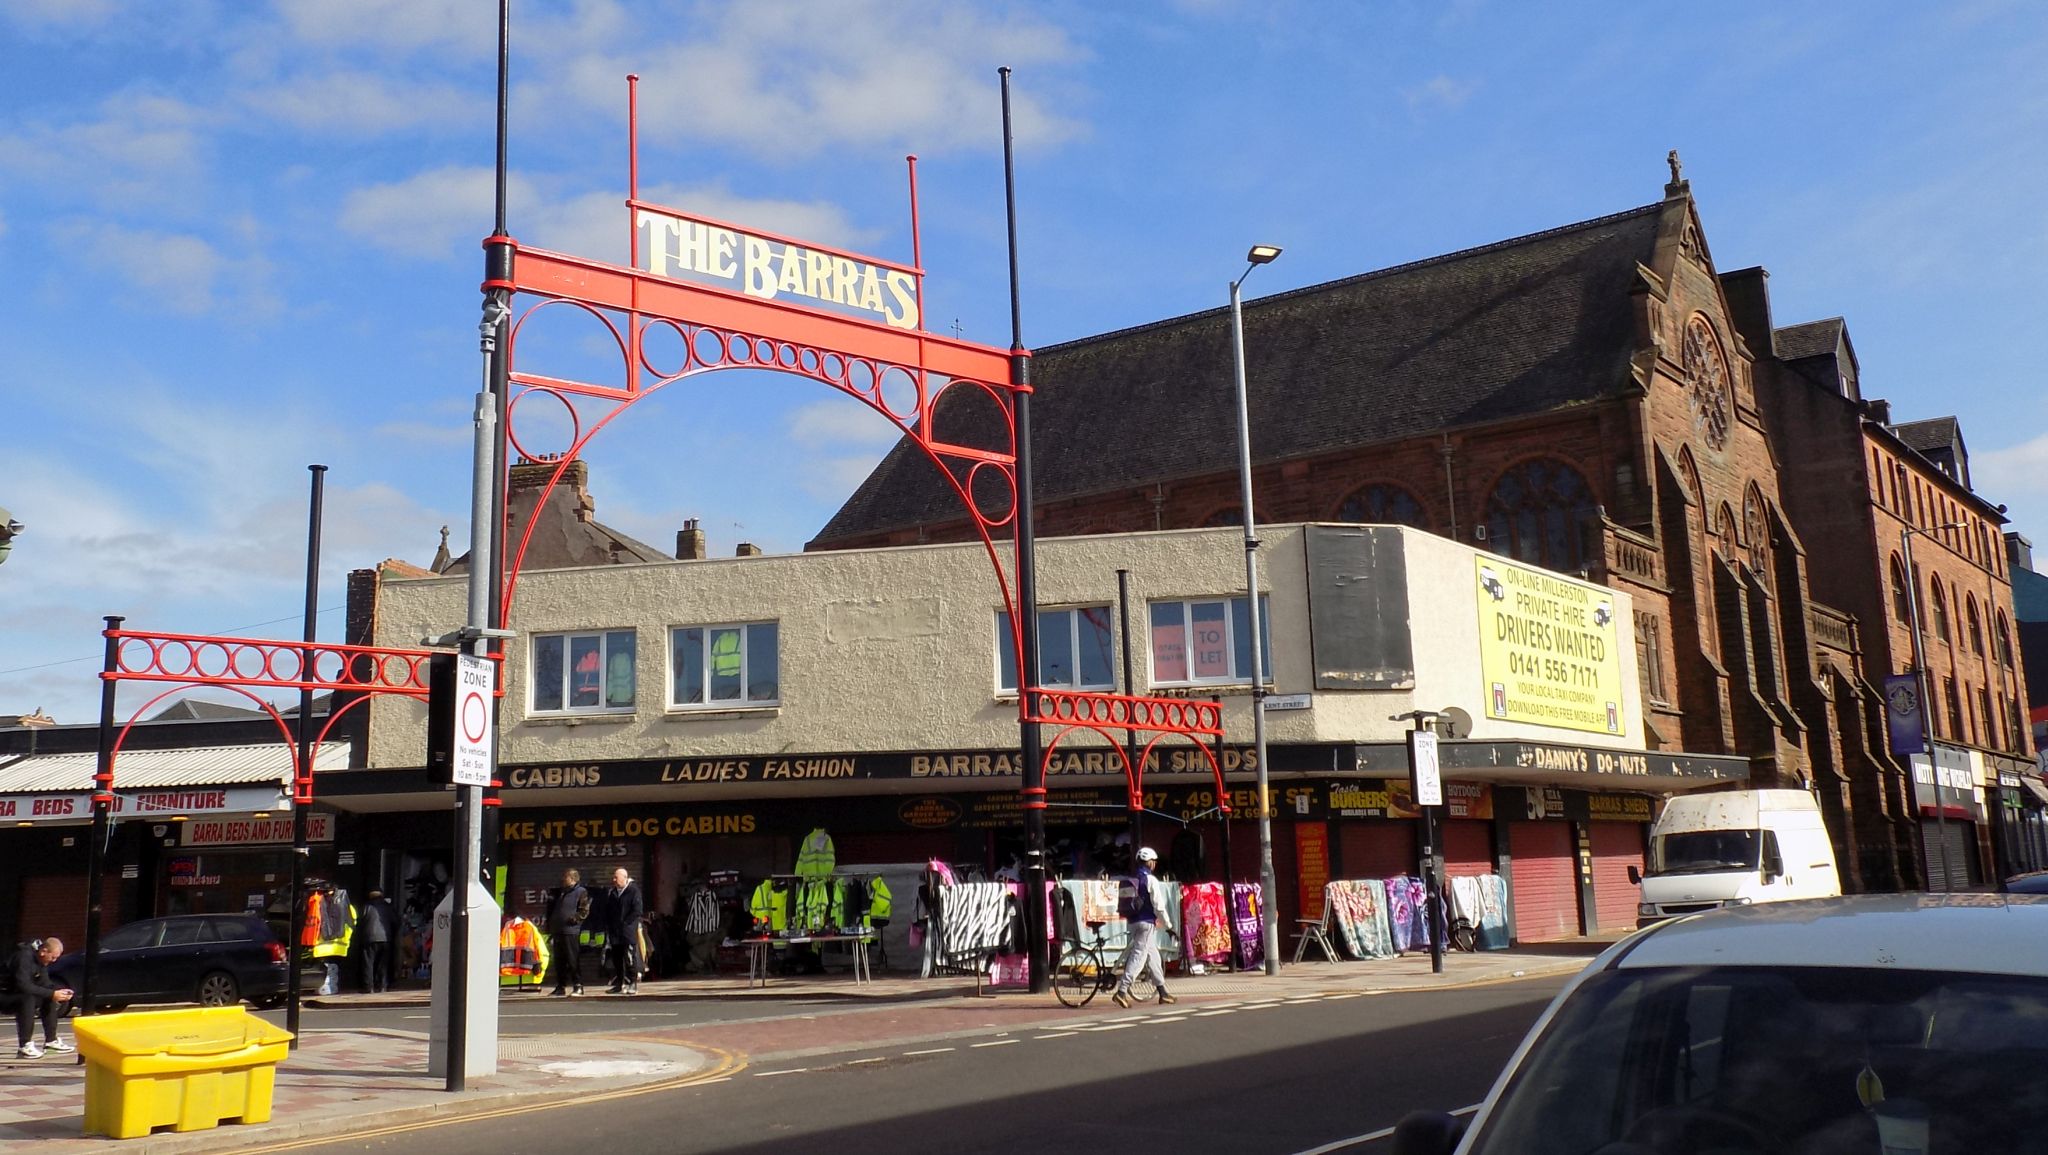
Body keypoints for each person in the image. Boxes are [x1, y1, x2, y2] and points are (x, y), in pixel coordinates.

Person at [1113, 846, 1177, 1008]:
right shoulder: (1151, 880)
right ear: (1149, 863)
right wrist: (1169, 926)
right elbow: (1159, 906)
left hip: (1133, 921)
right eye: (1154, 862)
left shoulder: (1132, 879)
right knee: (1139, 957)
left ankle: (1163, 992)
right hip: (1146, 922)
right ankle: (1122, 991)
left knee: (1153, 956)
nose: (1154, 864)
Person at [11, 937, 75, 1059]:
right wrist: (51, 993)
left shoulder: (41, 961)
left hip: (17, 992)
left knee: (49, 996)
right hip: (5, 993)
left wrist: (57, 992)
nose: (54, 961)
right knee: (27, 999)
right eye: (53, 957)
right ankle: (24, 1046)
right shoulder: (23, 957)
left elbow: (44, 983)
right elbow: (23, 985)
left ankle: (51, 1041)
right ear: (43, 951)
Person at [545, 869, 589, 997]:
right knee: (559, 960)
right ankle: (560, 986)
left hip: (570, 931)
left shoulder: (580, 892)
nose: (563, 879)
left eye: (566, 877)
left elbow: (584, 910)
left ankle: (578, 986)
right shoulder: (561, 892)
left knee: (572, 959)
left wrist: (574, 919)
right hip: (558, 930)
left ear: (573, 879)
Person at [602, 867, 645, 995]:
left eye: (616, 877)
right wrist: (609, 926)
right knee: (617, 959)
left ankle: (632, 983)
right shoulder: (612, 893)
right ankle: (619, 984)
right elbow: (608, 911)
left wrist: (626, 924)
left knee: (629, 958)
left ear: (625, 878)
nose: (613, 880)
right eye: (614, 877)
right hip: (615, 932)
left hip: (627, 931)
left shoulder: (633, 891)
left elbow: (637, 910)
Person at [356, 889, 396, 993]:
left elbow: (360, 920)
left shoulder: (367, 906)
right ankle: (383, 986)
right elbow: (395, 921)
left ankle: (369, 987)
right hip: (385, 937)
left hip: (369, 938)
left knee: (369, 963)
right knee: (383, 964)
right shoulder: (388, 907)